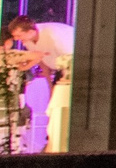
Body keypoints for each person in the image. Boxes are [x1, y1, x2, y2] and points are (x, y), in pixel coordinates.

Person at [2, 16, 68, 154]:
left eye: (19, 35)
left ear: (31, 31)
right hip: (9, 99)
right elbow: (37, 60)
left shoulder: (52, 35)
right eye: (14, 37)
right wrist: (37, 59)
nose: (17, 39)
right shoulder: (14, 51)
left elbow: (34, 62)